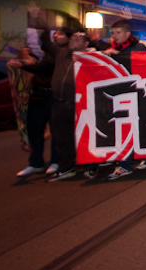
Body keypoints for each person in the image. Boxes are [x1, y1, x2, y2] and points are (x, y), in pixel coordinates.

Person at [9, 13, 60, 177]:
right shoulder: (31, 55)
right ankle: (35, 163)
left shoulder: (54, 53)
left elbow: (47, 68)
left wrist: (39, 20)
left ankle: (56, 161)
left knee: (55, 131)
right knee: (34, 131)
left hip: (52, 96)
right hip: (36, 96)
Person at [103, 21, 146, 180]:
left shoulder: (139, 47)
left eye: (118, 32)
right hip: (118, 96)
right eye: (112, 32)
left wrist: (119, 55)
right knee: (122, 131)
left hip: (136, 95)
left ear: (127, 34)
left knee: (141, 129)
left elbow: (139, 61)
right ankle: (124, 164)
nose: (114, 36)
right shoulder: (108, 50)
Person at [46, 31, 93, 181]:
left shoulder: (93, 57)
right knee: (62, 139)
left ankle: (90, 167)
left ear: (86, 44)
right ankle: (66, 168)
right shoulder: (61, 53)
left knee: (86, 137)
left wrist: (88, 56)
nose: (73, 41)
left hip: (82, 105)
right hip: (60, 104)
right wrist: (38, 20)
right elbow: (45, 43)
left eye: (78, 39)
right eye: (72, 38)